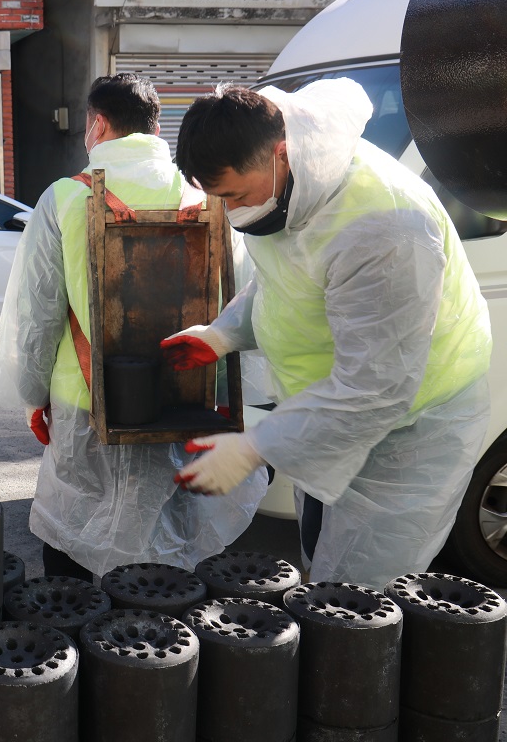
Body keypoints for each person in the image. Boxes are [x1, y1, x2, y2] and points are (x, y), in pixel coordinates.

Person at [163, 80, 491, 589]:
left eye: (235, 195)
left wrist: (255, 446)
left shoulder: (385, 230)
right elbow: (282, 286)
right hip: (321, 415)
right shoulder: (293, 189)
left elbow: (375, 386)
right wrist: (222, 334)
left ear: (281, 152)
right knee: (320, 560)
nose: (230, 212)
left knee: (359, 603)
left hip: (407, 430)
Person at [0, 73, 267, 581]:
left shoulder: (66, 198)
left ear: (97, 125)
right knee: (171, 546)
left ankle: (78, 647)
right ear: (156, 127)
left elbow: (38, 313)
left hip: (84, 402)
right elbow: (243, 305)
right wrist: (233, 406)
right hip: (187, 402)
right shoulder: (207, 195)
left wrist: (32, 396)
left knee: (74, 536)